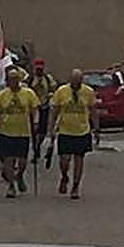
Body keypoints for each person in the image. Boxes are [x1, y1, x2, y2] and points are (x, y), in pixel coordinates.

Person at [47, 69, 100, 200]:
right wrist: (51, 128)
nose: (76, 84)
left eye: (78, 81)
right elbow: (54, 111)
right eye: (74, 81)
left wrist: (96, 129)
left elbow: (93, 111)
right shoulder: (62, 91)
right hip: (65, 130)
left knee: (79, 159)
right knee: (64, 160)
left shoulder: (88, 92)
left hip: (82, 130)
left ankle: (75, 186)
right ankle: (64, 176)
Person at [0, 68, 40, 198]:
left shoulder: (28, 93)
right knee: (8, 160)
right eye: (10, 80)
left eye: (15, 79)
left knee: (22, 161)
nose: (13, 82)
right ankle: (11, 185)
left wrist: (35, 121)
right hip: (6, 131)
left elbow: (35, 110)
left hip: (23, 131)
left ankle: (19, 175)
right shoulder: (2, 95)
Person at [28, 59, 58, 162]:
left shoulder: (48, 79)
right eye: (37, 69)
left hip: (44, 106)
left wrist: (51, 95)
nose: (39, 71)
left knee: (42, 132)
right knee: (34, 131)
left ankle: (38, 145)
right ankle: (36, 151)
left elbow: (53, 89)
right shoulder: (30, 79)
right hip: (33, 108)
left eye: (41, 68)